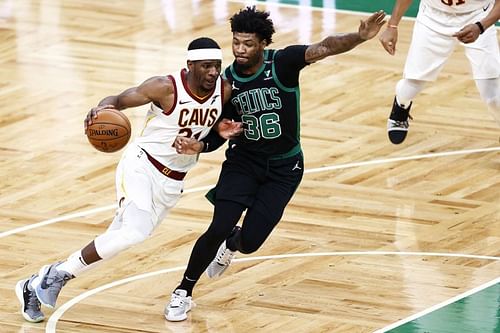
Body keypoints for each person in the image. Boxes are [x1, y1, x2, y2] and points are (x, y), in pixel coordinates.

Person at [164, 6, 387, 322]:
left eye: (248, 44)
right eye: (236, 43)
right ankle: (183, 291)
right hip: (243, 163)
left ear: (263, 43)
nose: (240, 50)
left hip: (284, 168)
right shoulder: (225, 82)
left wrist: (359, 37)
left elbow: (325, 47)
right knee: (218, 225)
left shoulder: (282, 63)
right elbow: (219, 134)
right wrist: (202, 144)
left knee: (250, 242)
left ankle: (234, 243)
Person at [14, 37, 242, 323]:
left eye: (217, 66)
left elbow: (216, 133)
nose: (212, 72)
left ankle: (35, 284)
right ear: (190, 65)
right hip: (141, 165)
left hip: (173, 181)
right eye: (206, 66)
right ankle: (54, 277)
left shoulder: (223, 90)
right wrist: (100, 110)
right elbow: (119, 100)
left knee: (118, 240)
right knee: (134, 231)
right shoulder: (165, 87)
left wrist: (211, 141)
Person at [379, 0, 500, 144]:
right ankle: (401, 105)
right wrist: (392, 26)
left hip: (479, 16)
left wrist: (481, 27)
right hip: (432, 18)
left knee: (493, 97)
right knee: (410, 88)